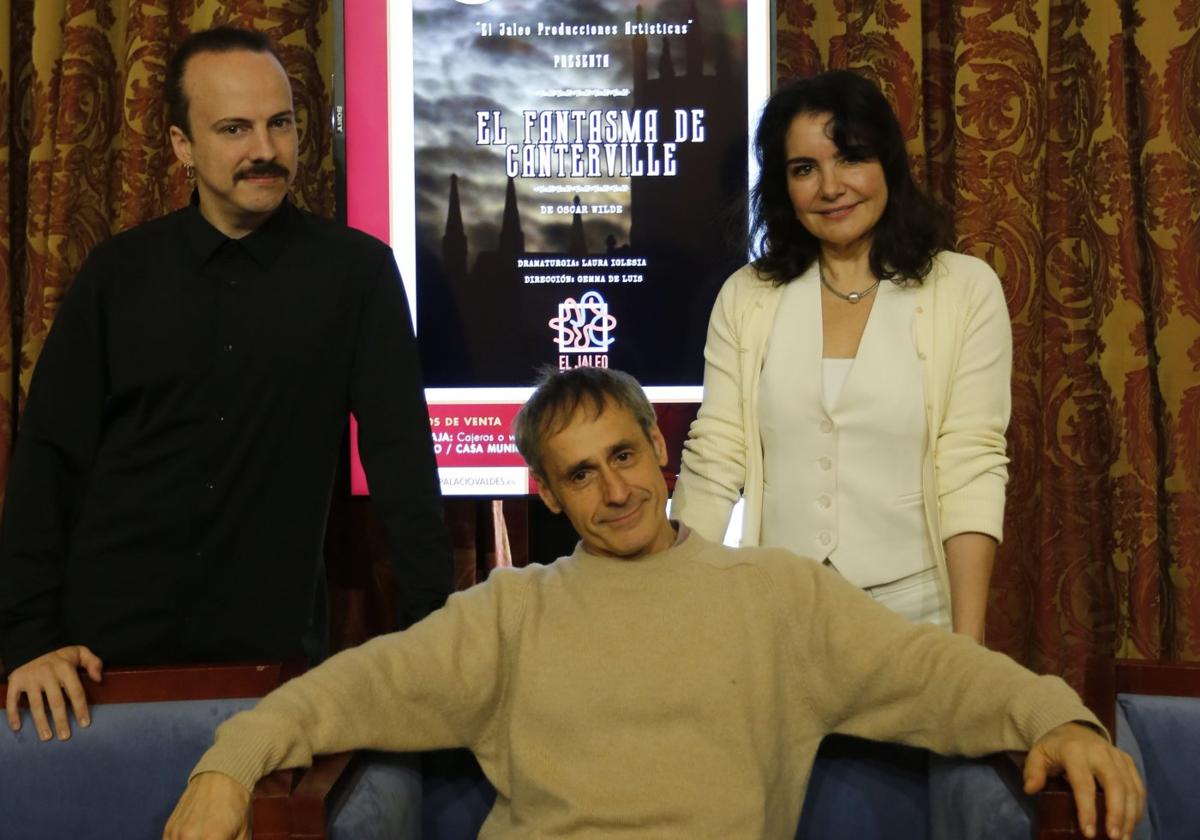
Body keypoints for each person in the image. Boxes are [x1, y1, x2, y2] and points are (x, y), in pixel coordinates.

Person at [164, 367, 1142, 840]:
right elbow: (355, 689)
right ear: (548, 496)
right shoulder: (509, 613)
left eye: (625, 456)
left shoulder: (775, 594)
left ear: (658, 449)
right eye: (582, 475)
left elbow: (932, 672)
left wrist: (1053, 714)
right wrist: (231, 761)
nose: (616, 489)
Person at [0, 27, 451, 743]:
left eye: (280, 124)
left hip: (268, 667)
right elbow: (48, 463)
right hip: (96, 664)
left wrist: (437, 644)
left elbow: (403, 466)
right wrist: (28, 636)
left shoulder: (357, 276)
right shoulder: (117, 277)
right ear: (182, 145)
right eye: (234, 128)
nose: (265, 150)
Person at [672, 70, 1010, 641]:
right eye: (805, 169)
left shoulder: (964, 289)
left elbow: (971, 467)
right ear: (783, 186)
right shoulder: (748, 295)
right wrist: (670, 604)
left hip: (918, 619)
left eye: (850, 158)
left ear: (888, 166)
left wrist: (967, 647)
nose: (830, 187)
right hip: (777, 614)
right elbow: (716, 457)